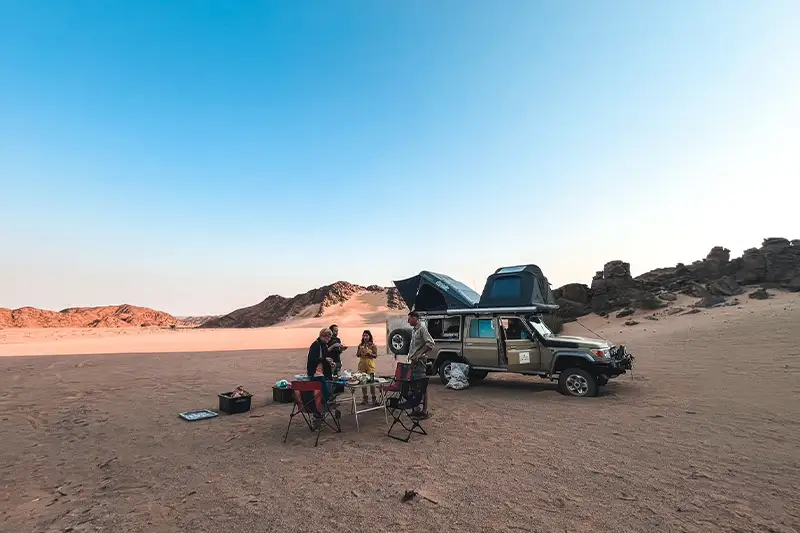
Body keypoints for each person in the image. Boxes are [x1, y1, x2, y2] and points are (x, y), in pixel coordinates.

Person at [407, 311, 434, 418]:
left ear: (415, 318)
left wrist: (419, 354)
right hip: (413, 362)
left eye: (409, 318)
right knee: (414, 386)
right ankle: (416, 408)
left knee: (422, 386)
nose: (408, 321)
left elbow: (430, 343)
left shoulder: (422, 328)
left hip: (420, 362)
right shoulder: (414, 330)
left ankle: (425, 410)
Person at [307, 328, 335, 401]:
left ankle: (324, 405)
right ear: (323, 336)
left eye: (330, 337)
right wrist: (325, 359)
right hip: (316, 373)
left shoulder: (324, 345)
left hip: (322, 372)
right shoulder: (315, 345)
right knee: (324, 394)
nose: (329, 339)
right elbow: (312, 359)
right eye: (328, 337)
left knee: (325, 392)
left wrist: (330, 362)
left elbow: (324, 358)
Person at [355, 330, 379, 405]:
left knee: (372, 382)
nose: (365, 337)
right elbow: (357, 355)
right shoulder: (360, 345)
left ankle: (374, 398)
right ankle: (365, 398)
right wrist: (360, 351)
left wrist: (369, 353)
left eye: (366, 336)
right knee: (363, 382)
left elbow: (375, 356)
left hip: (370, 366)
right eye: (364, 335)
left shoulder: (373, 345)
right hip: (362, 366)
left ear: (369, 337)